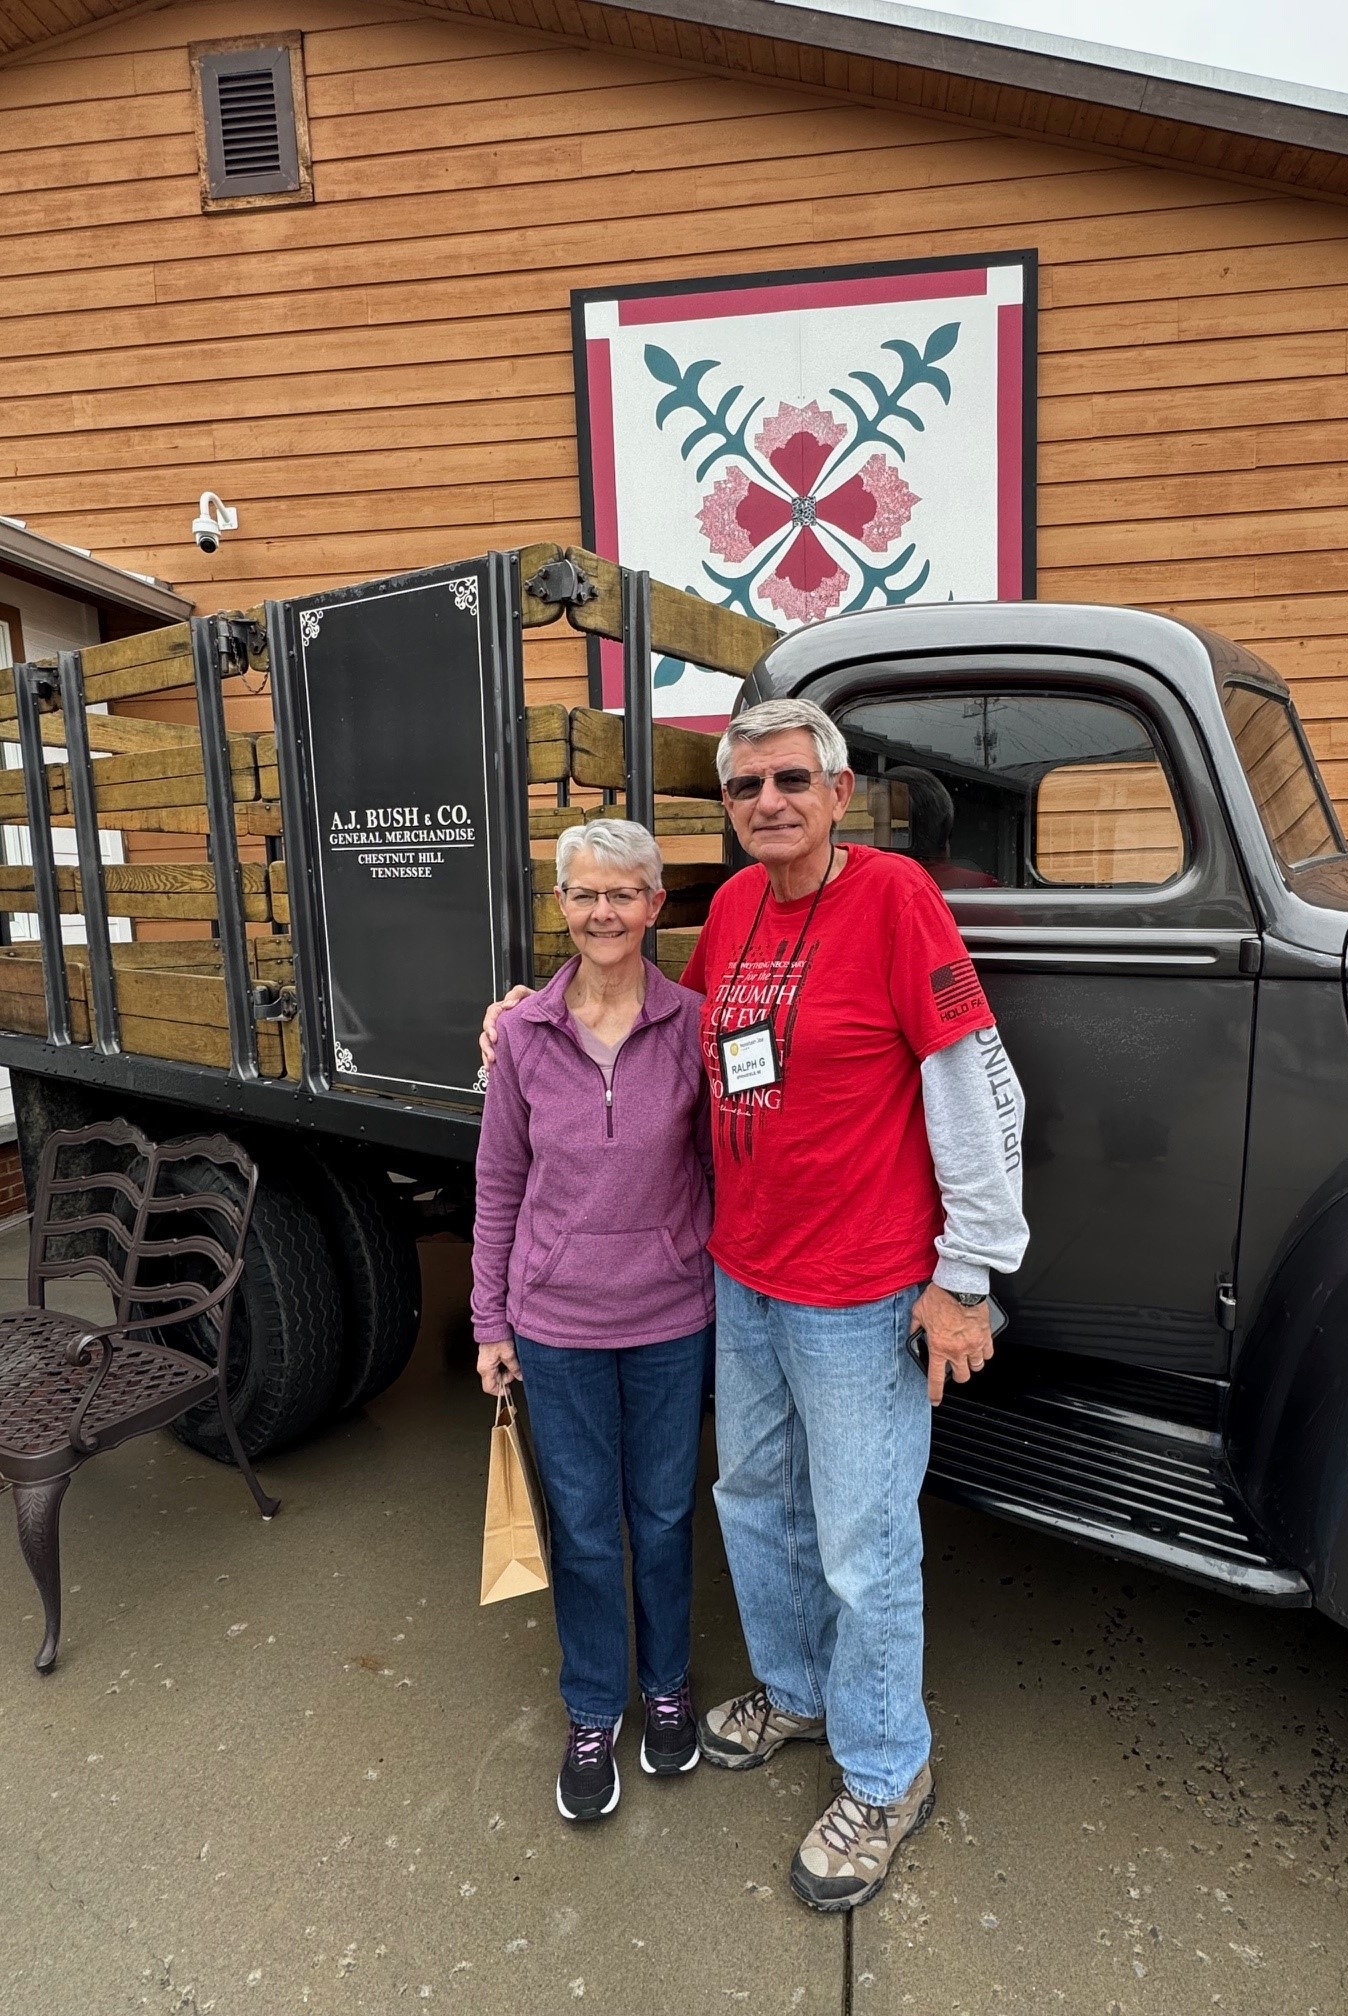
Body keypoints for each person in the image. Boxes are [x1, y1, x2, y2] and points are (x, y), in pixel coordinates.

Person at [481, 697, 1027, 1913]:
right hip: (742, 1275)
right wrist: (525, 1018)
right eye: (745, 786)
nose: (768, 802)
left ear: (838, 794)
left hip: (861, 1286)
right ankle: (797, 1692)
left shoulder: (894, 900)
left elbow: (977, 1088)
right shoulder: (732, 910)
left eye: (790, 780)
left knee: (862, 1540)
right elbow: (649, 1030)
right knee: (757, 1504)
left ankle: (886, 1773)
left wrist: (967, 1275)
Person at [471, 818, 714, 1823]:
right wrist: (490, 1320)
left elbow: (726, 1167)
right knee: (580, 1528)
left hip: (670, 1315)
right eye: (584, 894)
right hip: (558, 1323)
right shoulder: (525, 1035)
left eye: (622, 894)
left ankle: (667, 1687)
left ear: (655, 905)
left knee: (662, 1519)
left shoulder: (694, 1025)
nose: (603, 912)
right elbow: (498, 1184)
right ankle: (593, 1707)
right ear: (561, 905)